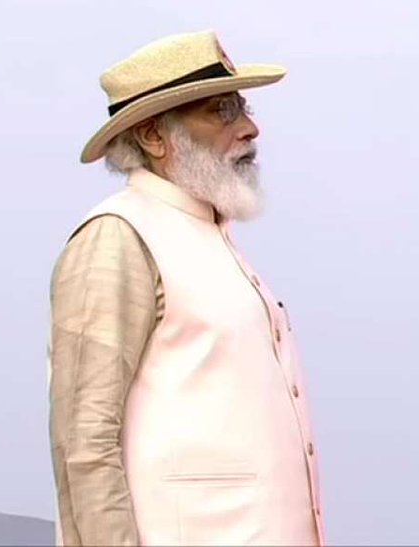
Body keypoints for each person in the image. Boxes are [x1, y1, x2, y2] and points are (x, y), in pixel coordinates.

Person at [47, 30, 324, 546]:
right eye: (221, 111)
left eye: (241, 106)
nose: (249, 128)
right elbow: (84, 443)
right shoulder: (119, 235)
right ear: (154, 137)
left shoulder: (210, 239)